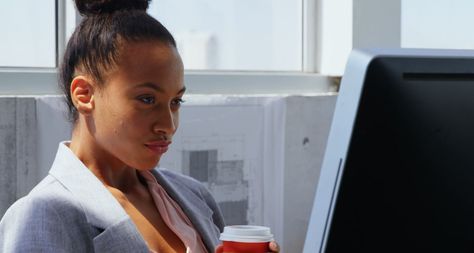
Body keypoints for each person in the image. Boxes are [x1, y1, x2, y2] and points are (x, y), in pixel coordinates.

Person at [0, 0, 279, 252]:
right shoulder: (44, 214)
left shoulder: (193, 196)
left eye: (176, 101)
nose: (168, 125)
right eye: (147, 99)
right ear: (84, 94)